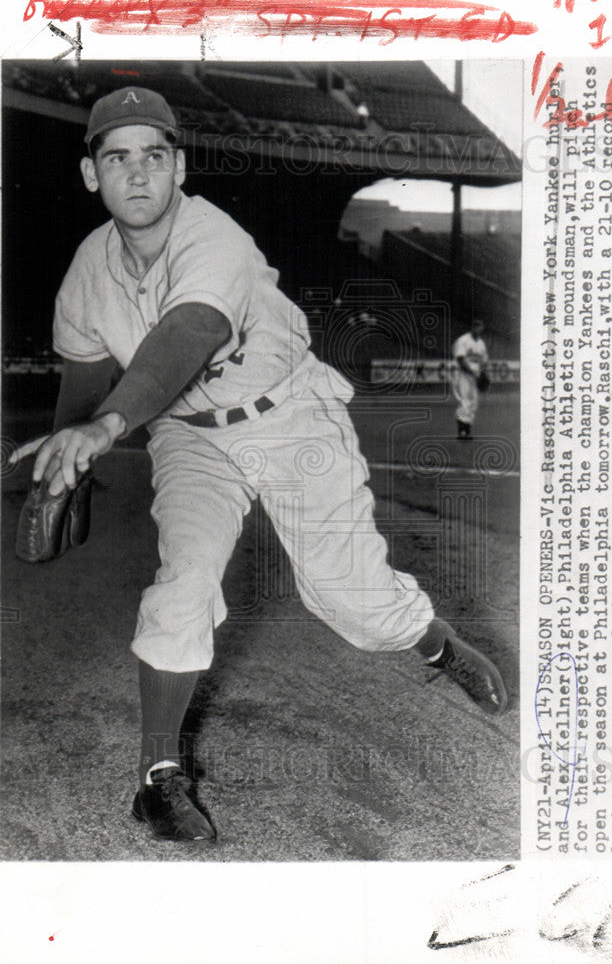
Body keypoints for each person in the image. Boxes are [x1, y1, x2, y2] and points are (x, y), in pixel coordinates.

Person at [11, 87, 507, 844]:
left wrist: (111, 423)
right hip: (189, 438)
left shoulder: (215, 237)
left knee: (353, 600)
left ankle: (435, 642)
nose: (137, 174)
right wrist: (65, 458)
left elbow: (190, 329)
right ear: (92, 176)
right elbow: (83, 381)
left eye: (154, 156)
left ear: (178, 168)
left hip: (289, 414)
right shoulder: (86, 272)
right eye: (117, 159)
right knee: (183, 579)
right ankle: (158, 779)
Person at [452, 319, 489, 440]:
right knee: (464, 401)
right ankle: (461, 431)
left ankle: (467, 431)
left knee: (473, 403)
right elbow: (461, 359)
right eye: (475, 326)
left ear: (482, 328)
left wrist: (483, 373)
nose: (477, 328)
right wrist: (473, 372)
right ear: (471, 327)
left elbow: (483, 361)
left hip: (475, 375)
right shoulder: (463, 340)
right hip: (462, 374)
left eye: (479, 326)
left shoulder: (481, 344)